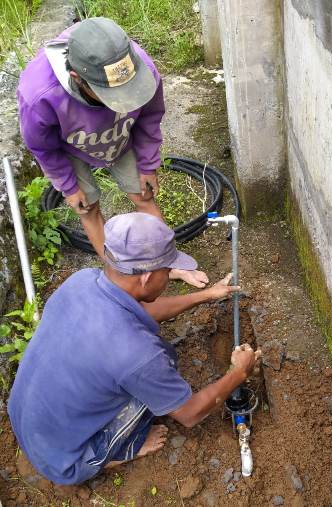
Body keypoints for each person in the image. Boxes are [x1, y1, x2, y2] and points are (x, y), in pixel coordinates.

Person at [7, 212, 261, 485]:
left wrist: (206, 295)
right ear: (146, 277)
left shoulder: (82, 282)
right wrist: (239, 372)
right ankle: (120, 452)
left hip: (27, 415)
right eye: (168, 271)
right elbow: (190, 413)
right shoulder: (138, 354)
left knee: (154, 366)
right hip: (63, 460)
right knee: (159, 373)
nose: (169, 277)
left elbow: (142, 309)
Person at [17, 16, 207, 288]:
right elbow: (42, 146)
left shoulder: (141, 68)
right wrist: (69, 187)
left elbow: (150, 116)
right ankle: (121, 278)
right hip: (70, 144)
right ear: (78, 79)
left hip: (120, 133)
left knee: (144, 193)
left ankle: (169, 265)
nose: (124, 98)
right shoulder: (39, 95)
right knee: (87, 207)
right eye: (113, 94)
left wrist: (148, 164)